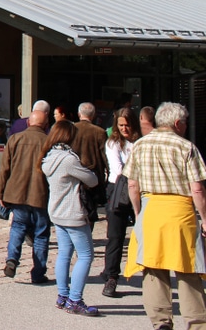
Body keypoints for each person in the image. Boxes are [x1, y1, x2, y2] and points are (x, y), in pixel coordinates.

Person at [123, 102, 206, 330]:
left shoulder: (139, 146)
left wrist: (139, 213)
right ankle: (196, 323)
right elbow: (197, 189)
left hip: (151, 210)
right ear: (178, 123)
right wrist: (205, 218)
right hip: (180, 212)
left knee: (153, 268)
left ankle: (161, 322)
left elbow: (132, 184)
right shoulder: (186, 147)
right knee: (188, 269)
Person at [40, 120, 100, 316]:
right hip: (72, 213)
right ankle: (75, 299)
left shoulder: (48, 157)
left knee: (64, 253)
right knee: (86, 255)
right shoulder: (68, 159)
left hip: (56, 211)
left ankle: (62, 295)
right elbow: (92, 180)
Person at [0, 108, 51, 284]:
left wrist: (0, 192)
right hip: (41, 194)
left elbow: (4, 169)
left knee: (18, 227)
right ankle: (38, 272)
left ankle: (12, 259)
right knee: (41, 234)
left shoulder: (15, 139)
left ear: (28, 122)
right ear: (46, 124)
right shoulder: (49, 142)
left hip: (17, 193)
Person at [100, 106, 139, 297]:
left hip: (139, 188)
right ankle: (111, 276)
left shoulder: (140, 141)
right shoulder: (114, 143)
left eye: (127, 125)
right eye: (121, 125)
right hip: (119, 188)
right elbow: (118, 169)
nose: (124, 129)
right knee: (116, 236)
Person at [73, 102, 108, 224]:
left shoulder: (72, 129)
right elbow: (105, 156)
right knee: (91, 210)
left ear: (79, 114)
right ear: (93, 116)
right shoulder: (100, 132)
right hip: (93, 175)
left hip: (73, 174)